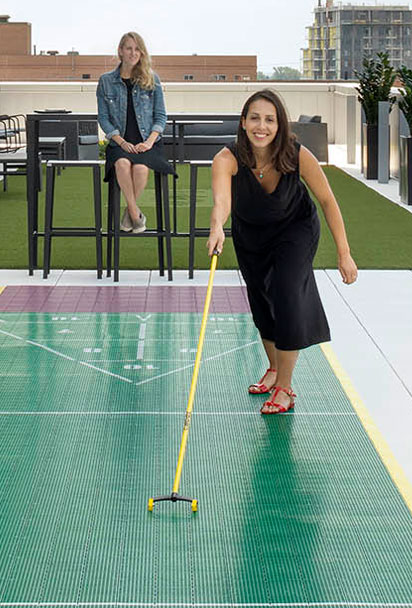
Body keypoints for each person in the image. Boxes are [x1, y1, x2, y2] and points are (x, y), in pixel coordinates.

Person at [206, 89, 358, 415]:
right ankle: (273, 368)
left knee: (287, 293)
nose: (262, 126)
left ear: (280, 124)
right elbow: (221, 202)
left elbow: (328, 201)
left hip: (295, 229)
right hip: (251, 235)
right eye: (255, 118)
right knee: (262, 300)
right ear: (244, 123)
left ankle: (285, 388)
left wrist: (343, 253)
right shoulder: (226, 159)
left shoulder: (296, 154)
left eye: (270, 120)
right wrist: (217, 226)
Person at [96, 31, 170, 233]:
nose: (133, 53)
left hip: (147, 142)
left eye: (137, 49)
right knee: (122, 163)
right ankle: (136, 214)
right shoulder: (106, 81)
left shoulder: (151, 79)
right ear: (120, 51)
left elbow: (161, 116)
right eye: (129, 48)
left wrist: (149, 142)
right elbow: (103, 118)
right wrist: (120, 141)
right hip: (120, 143)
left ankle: (130, 214)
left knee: (141, 168)